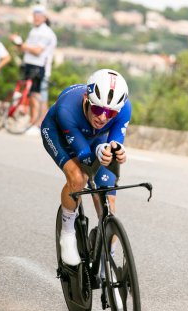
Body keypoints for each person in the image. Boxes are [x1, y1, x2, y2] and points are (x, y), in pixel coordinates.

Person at [41, 69, 131, 266]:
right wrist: (99, 151)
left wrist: (117, 150)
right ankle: (67, 233)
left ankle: (108, 258)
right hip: (60, 133)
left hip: (93, 138)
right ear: (86, 98)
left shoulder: (124, 108)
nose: (103, 118)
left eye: (111, 113)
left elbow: (115, 141)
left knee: (108, 205)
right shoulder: (67, 108)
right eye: (98, 109)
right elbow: (84, 155)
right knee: (78, 177)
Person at [10, 5, 57, 135]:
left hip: (40, 67)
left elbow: (37, 51)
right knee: (32, 96)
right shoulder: (34, 31)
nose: (36, 18)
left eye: (39, 16)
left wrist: (21, 44)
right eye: (34, 15)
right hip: (29, 65)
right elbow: (25, 48)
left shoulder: (46, 33)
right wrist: (18, 43)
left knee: (38, 97)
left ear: (44, 17)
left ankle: (38, 125)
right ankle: (35, 123)